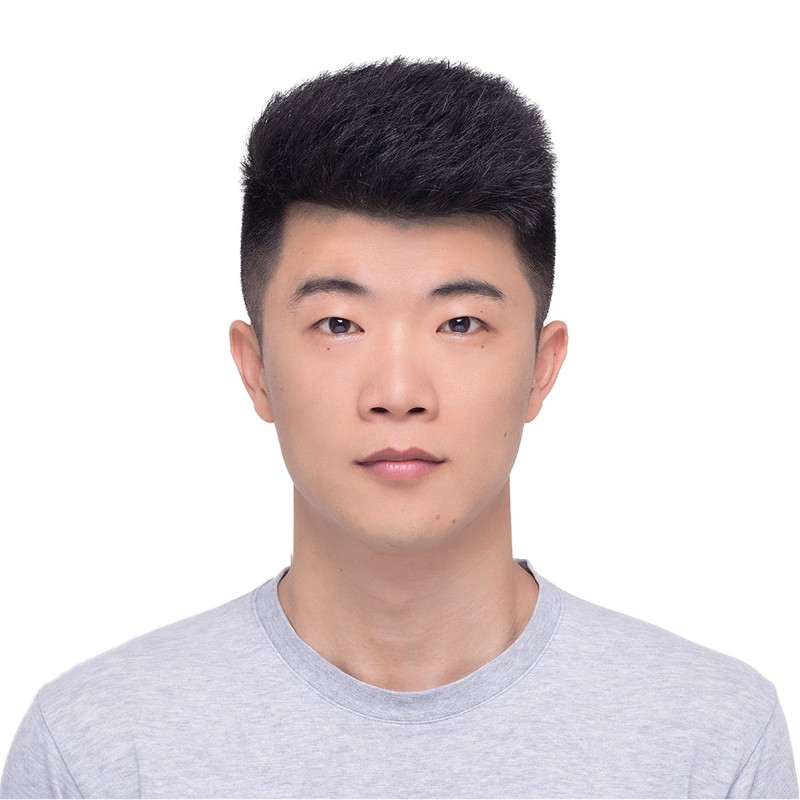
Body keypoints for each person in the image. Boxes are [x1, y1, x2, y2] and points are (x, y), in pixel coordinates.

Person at [1, 58, 796, 799]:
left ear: (541, 367)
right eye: (339, 323)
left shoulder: (712, 743)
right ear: (256, 368)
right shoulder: (100, 750)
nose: (399, 393)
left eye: (460, 323)